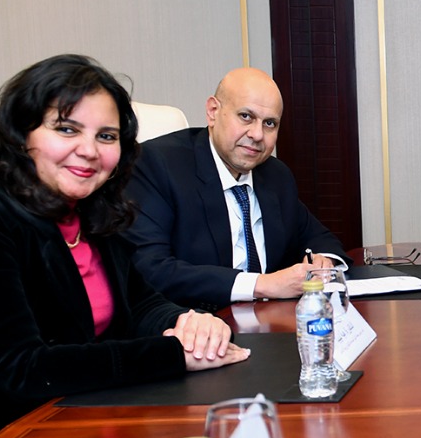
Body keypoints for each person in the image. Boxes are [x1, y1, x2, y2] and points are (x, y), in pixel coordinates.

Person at [0, 54, 248, 438]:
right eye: (67, 129)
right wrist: (172, 354)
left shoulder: (92, 212)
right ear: (21, 133)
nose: (89, 151)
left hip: (73, 423)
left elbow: (141, 303)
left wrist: (188, 321)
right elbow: (23, 369)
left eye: (106, 136)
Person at [124, 67, 342, 311]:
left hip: (272, 320)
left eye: (270, 123)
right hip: (197, 322)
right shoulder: (157, 165)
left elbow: (319, 238)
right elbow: (151, 270)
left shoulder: (276, 175)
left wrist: (325, 261)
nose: (257, 135)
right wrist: (261, 284)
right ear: (213, 111)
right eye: (246, 116)